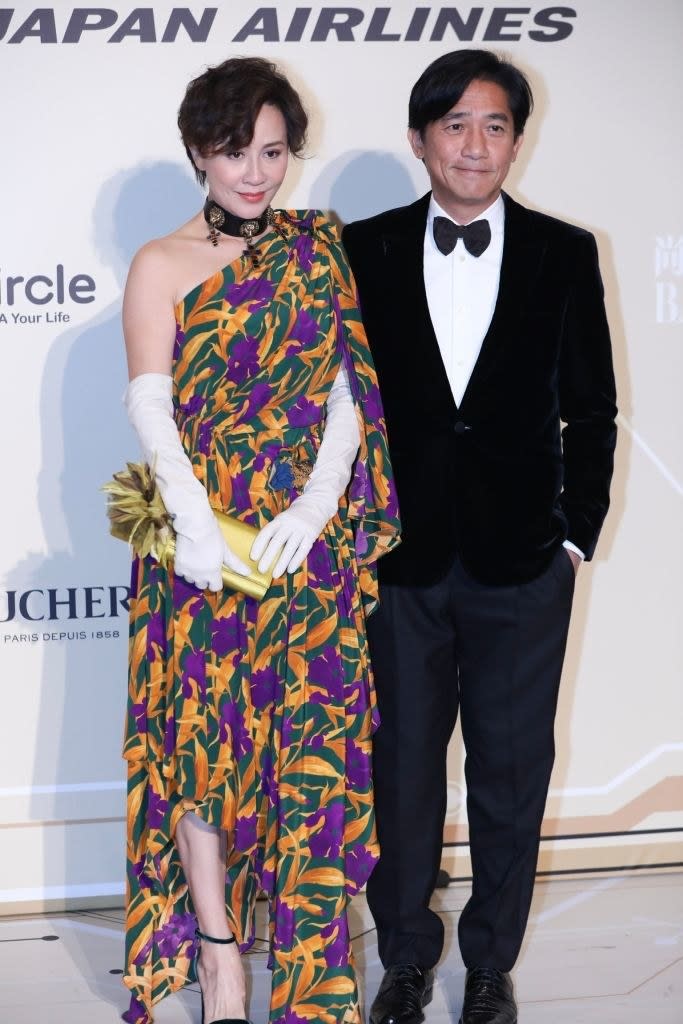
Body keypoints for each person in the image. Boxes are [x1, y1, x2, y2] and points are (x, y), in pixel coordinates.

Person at [119, 56, 400, 1024]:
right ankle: (221, 959)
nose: (254, 171)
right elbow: (151, 407)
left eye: (273, 151)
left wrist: (313, 510)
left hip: (300, 551)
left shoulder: (317, 249)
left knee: (310, 752)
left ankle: (315, 976)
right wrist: (196, 524)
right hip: (199, 550)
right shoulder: (159, 261)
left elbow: (342, 394)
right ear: (198, 149)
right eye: (234, 150)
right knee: (200, 753)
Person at [342, 49, 617, 1024]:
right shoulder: (360, 249)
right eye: (453, 124)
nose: (474, 143)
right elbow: (334, 406)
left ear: (515, 139)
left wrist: (572, 539)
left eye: (493, 124)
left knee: (510, 777)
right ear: (419, 139)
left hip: (519, 568)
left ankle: (491, 966)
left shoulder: (562, 250)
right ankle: (407, 962)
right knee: (401, 775)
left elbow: (591, 410)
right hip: (397, 567)